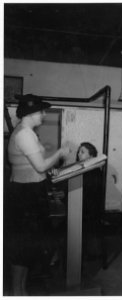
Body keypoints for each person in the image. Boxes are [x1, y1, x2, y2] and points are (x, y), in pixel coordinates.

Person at [5, 94, 70, 295]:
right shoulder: (24, 134)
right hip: (26, 196)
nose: (43, 114)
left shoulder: (28, 132)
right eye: (41, 111)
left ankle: (21, 291)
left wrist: (48, 170)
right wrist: (60, 153)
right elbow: (40, 164)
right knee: (22, 248)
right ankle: (17, 293)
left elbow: (38, 166)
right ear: (31, 113)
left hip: (31, 192)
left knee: (27, 249)